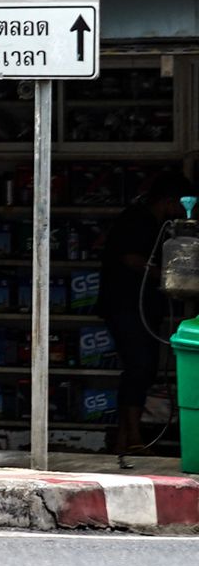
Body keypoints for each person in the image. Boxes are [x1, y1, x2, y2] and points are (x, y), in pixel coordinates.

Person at [100, 163, 195, 462]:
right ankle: (131, 438)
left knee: (145, 368)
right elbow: (131, 259)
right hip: (126, 305)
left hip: (144, 306)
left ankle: (127, 438)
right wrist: (166, 277)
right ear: (169, 201)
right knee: (139, 366)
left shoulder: (159, 225)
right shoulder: (137, 220)